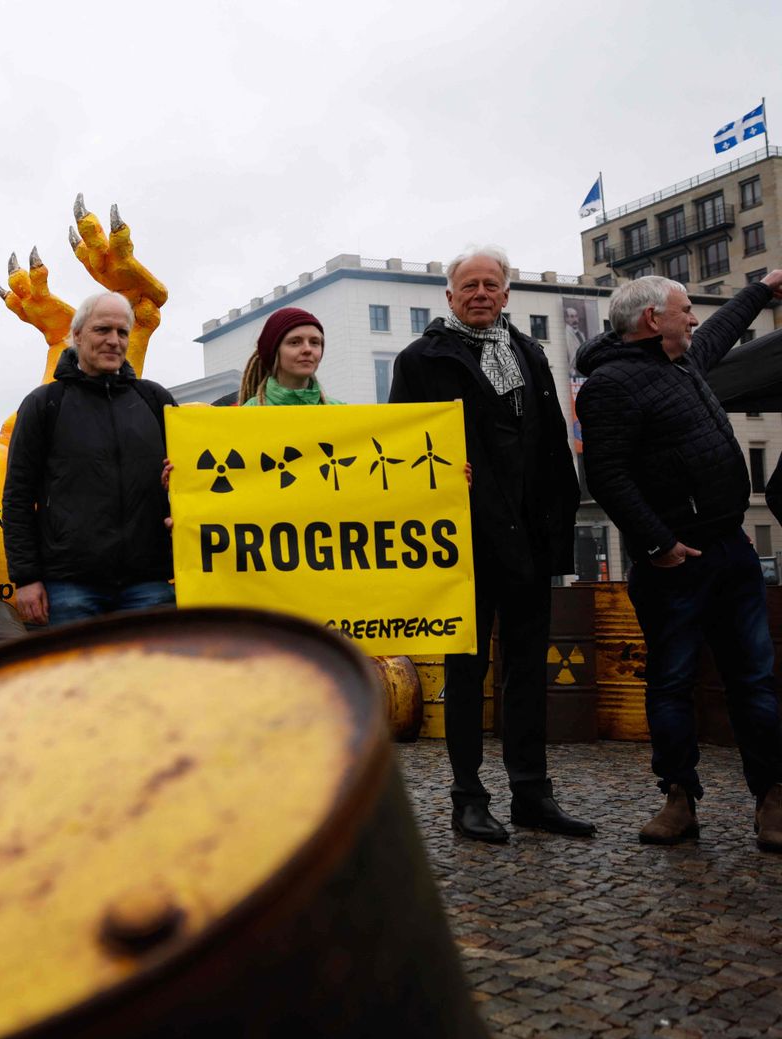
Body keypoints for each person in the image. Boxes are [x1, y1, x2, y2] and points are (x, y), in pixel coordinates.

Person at [389, 246, 591, 843]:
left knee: (528, 672)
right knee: (467, 671)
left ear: (507, 295)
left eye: (491, 284)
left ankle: (532, 792)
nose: (480, 293)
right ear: (449, 297)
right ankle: (467, 798)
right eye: (469, 285)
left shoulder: (528, 352)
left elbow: (550, 441)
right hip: (466, 541)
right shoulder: (420, 359)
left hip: (530, 537)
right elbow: (404, 450)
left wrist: (561, 518)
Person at [575, 269, 782, 851]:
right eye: (684, 309)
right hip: (673, 563)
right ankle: (678, 797)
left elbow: (720, 330)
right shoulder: (609, 386)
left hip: (731, 550)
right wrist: (658, 545)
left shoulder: (683, 359)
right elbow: (609, 477)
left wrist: (763, 289)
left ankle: (771, 796)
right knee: (671, 683)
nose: (693, 319)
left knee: (755, 681)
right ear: (652, 319)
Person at [3, 291, 177, 626]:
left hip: (149, 584)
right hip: (70, 588)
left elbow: (194, 479)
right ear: (77, 335)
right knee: (80, 680)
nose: (114, 340)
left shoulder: (155, 400)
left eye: (122, 332)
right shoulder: (44, 404)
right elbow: (17, 498)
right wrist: (25, 578)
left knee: (148, 680)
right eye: (102, 330)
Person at [236, 308, 345, 407]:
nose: (308, 349)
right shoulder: (247, 415)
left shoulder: (342, 413)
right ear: (274, 352)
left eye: (314, 342)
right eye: (294, 342)